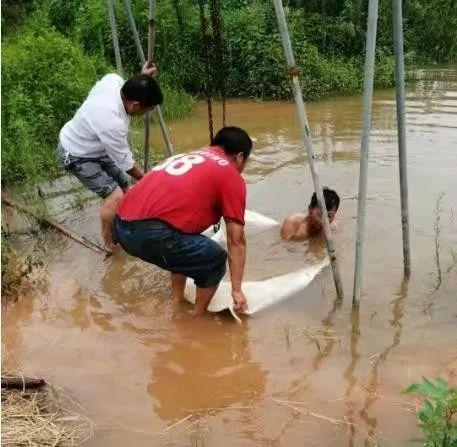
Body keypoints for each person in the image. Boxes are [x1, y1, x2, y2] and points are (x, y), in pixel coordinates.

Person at [107, 127, 253, 316]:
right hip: (149, 233)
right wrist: (236, 290)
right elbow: (236, 240)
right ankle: (197, 318)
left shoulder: (185, 156)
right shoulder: (230, 174)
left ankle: (177, 300)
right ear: (240, 157)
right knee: (215, 259)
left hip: (120, 226)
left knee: (185, 241)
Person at [56, 62, 162, 245]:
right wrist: (148, 180)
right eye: (149, 109)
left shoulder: (113, 81)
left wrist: (142, 77)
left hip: (94, 143)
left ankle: (127, 221)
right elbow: (126, 164)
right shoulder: (112, 121)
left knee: (124, 184)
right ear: (135, 106)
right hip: (75, 153)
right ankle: (110, 241)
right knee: (115, 196)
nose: (148, 113)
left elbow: (130, 85)